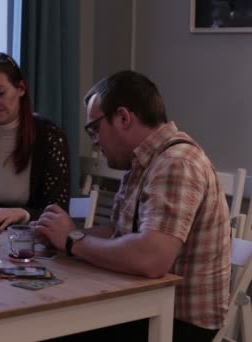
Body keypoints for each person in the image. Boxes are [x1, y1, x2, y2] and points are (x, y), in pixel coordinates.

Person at [35, 70, 231, 342]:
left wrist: (73, 241)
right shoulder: (143, 162)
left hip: (176, 324)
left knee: (45, 330)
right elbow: (120, 233)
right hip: (142, 307)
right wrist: (58, 235)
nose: (94, 142)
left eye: (94, 129)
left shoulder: (176, 162)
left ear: (124, 118)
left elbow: (151, 259)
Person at [0, 52, 71, 231]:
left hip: (34, 242)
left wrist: (23, 214)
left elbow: (58, 213)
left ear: (21, 89)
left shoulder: (49, 136)